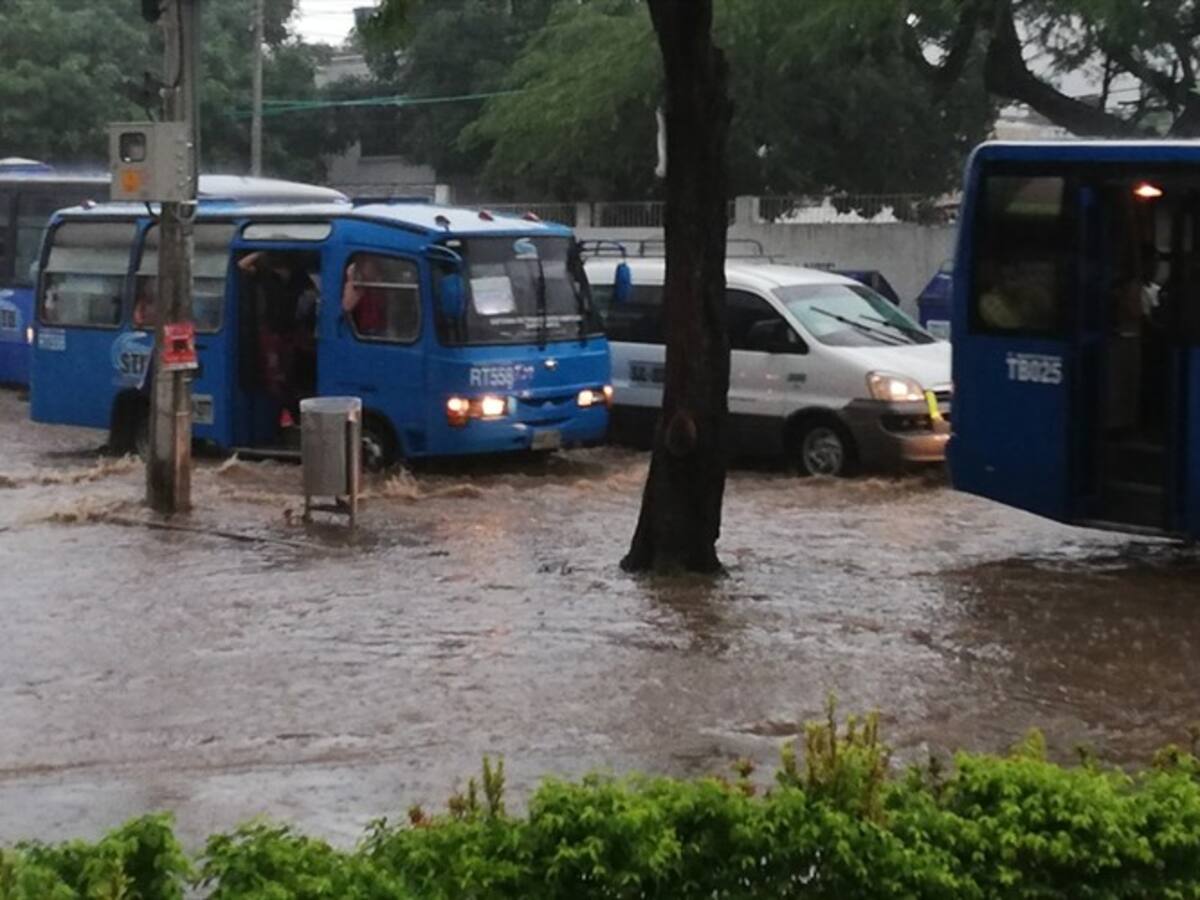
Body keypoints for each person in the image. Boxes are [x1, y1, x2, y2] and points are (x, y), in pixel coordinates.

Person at [342, 256, 387, 336]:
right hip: (362, 332)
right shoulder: (355, 286)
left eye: (374, 267)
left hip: (379, 330)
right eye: (369, 266)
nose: (371, 270)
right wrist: (353, 281)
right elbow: (346, 307)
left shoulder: (378, 287)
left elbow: (383, 306)